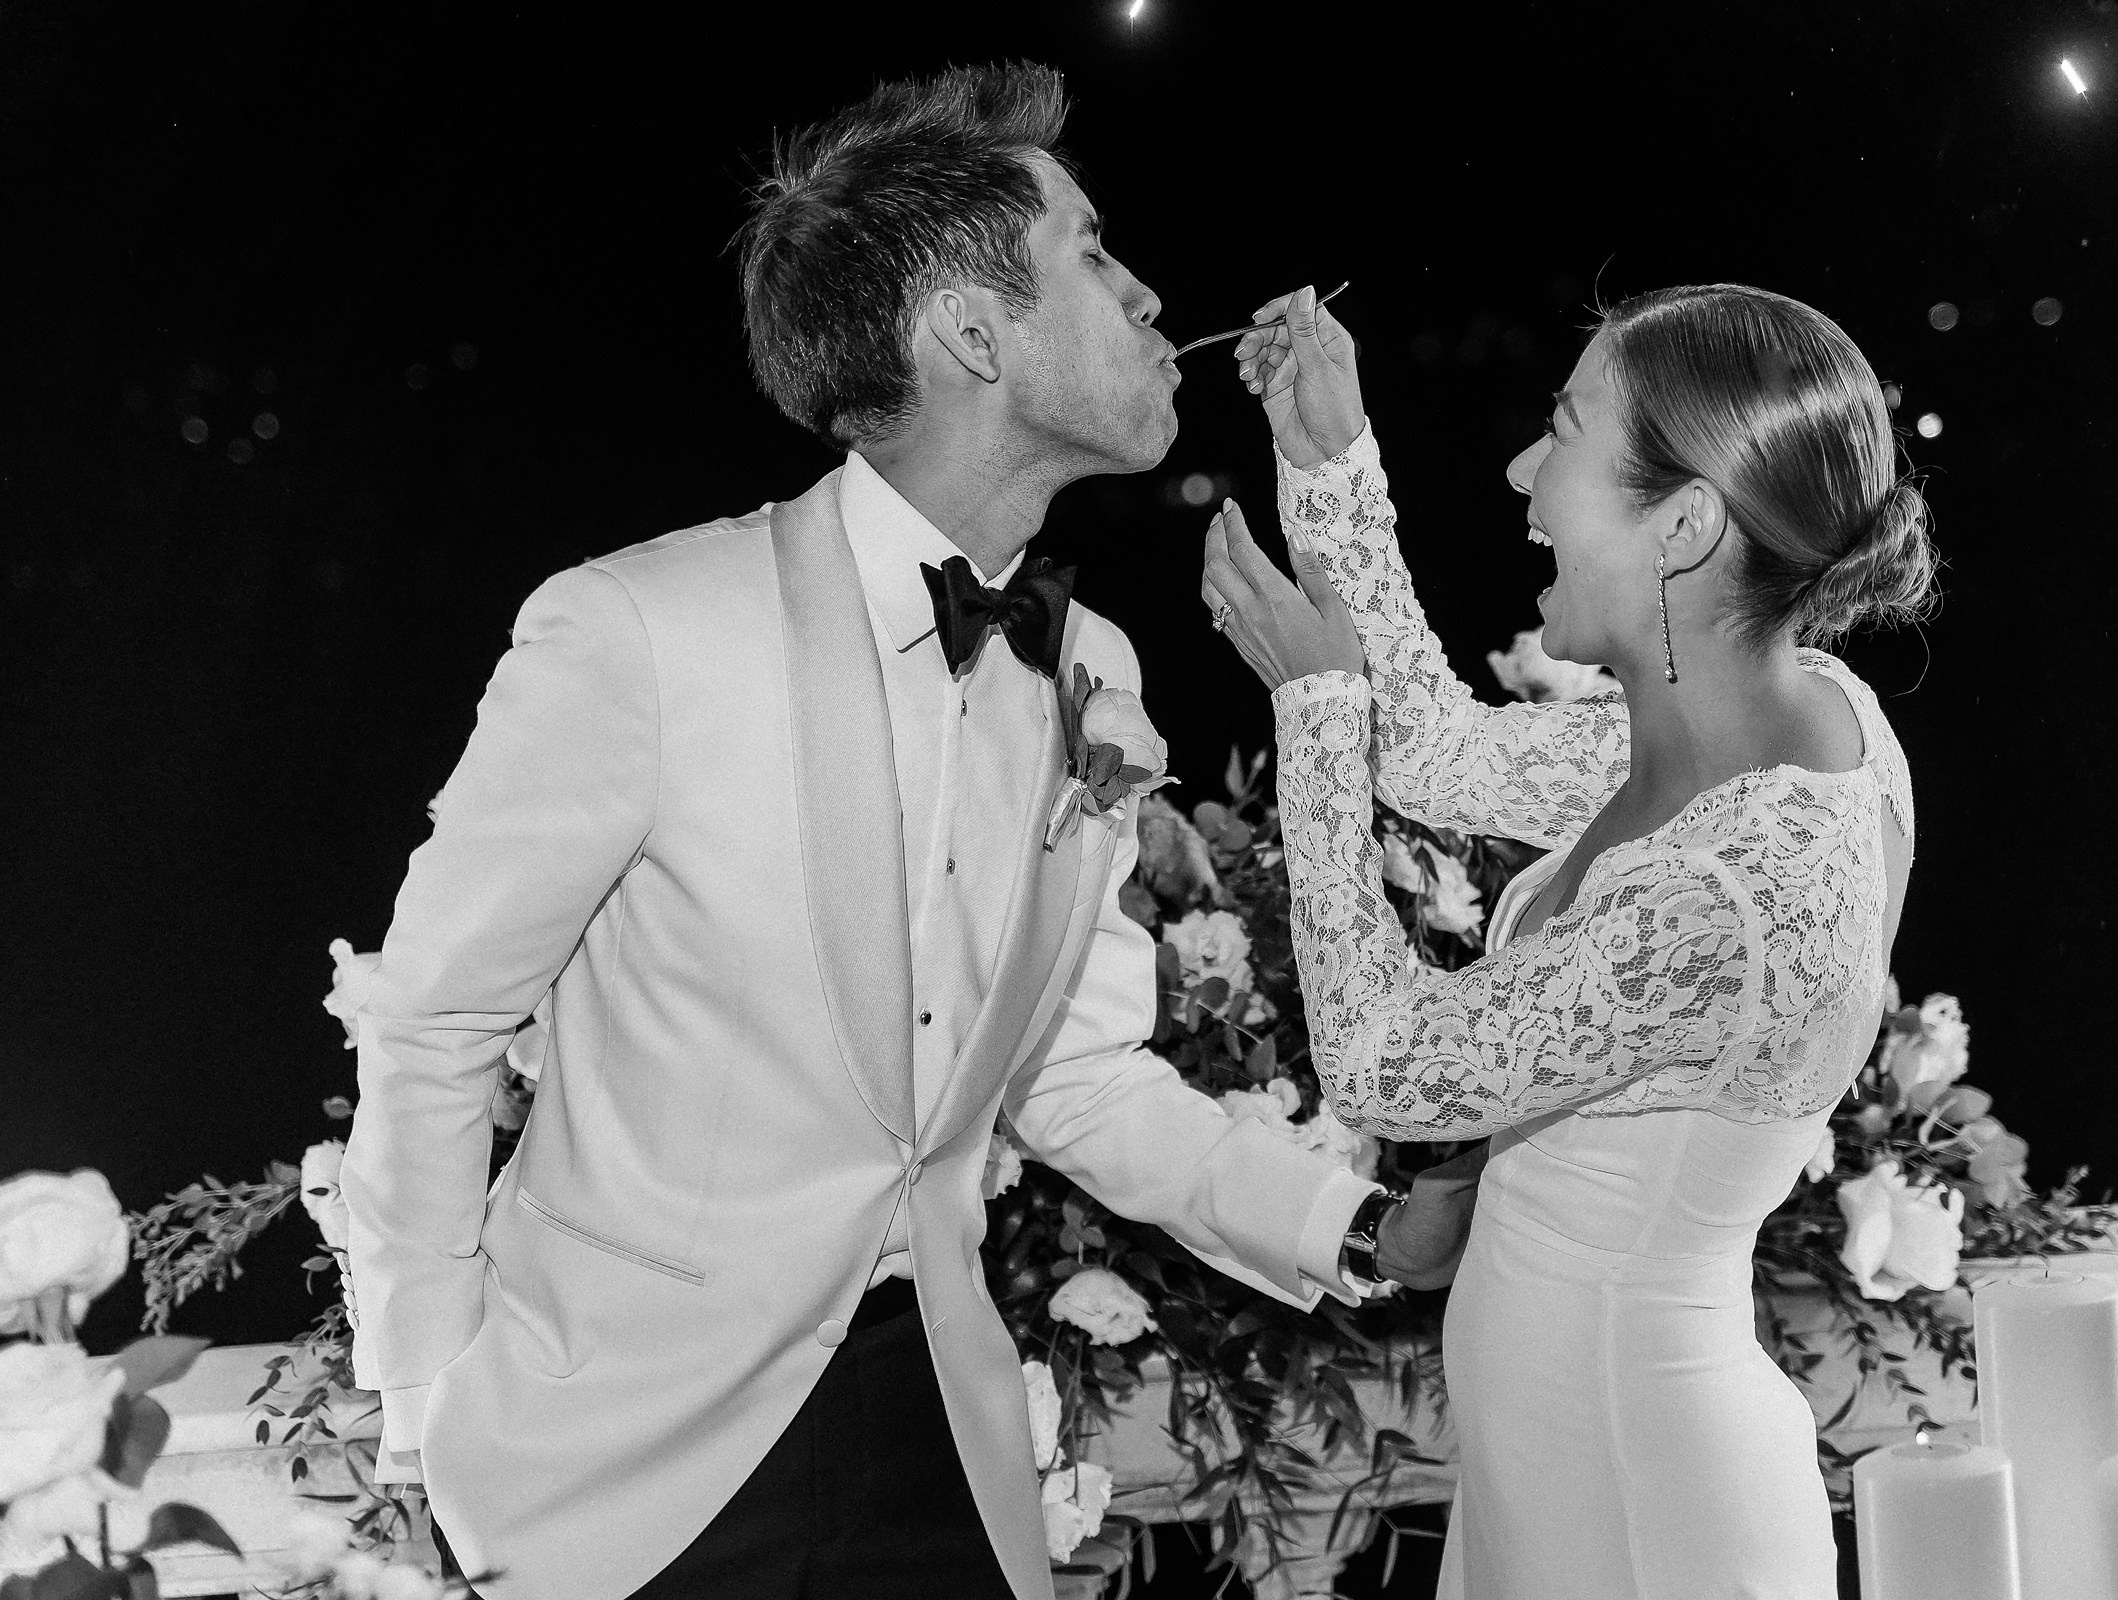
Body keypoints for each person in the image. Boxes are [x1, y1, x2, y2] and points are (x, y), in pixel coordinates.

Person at [341, 66, 1472, 1600]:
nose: (1149, 297)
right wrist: (419, 1426)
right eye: (1092, 251)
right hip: (619, 1479)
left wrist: (1361, 1226)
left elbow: (1065, 1065)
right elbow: (432, 1025)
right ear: (969, 333)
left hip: (942, 1437)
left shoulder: (1095, 674)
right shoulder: (637, 631)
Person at [1201, 281, 1934, 1597]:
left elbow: (1383, 1061)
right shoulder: (1767, 709)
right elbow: (1436, 752)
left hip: (1640, 1499)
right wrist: (1329, 455)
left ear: (1684, 525)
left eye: (1565, 431)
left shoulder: (1738, 888)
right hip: (1561, 1466)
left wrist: (1313, 716)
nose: (1523, 473)